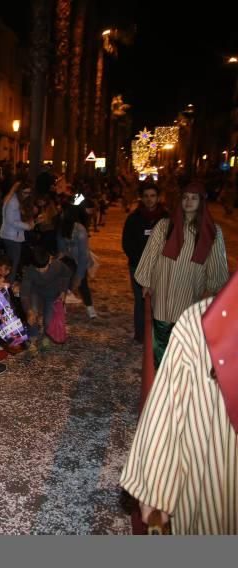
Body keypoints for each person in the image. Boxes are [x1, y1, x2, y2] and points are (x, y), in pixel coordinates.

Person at [120, 271, 238, 534]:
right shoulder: (210, 232)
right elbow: (218, 272)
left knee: (168, 364)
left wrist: (153, 486)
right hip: (191, 300)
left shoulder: (202, 321)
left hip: (170, 310)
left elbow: (169, 412)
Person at [134, 182, 229, 367]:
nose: (188, 202)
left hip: (191, 292)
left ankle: (180, 376)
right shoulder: (165, 226)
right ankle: (162, 376)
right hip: (164, 289)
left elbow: (217, 262)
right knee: (161, 337)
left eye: (194, 198)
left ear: (201, 202)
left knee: (185, 339)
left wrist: (214, 287)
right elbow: (151, 253)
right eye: (185, 197)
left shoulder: (212, 231)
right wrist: (146, 280)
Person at [121, 183, 168, 342]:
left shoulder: (166, 218)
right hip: (138, 266)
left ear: (158, 197)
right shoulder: (134, 218)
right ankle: (141, 334)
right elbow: (127, 243)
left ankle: (158, 334)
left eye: (152, 196)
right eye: (146, 196)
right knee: (140, 301)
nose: (149, 199)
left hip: (161, 267)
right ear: (142, 197)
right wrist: (141, 262)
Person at [20, 246, 74, 351]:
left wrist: (63, 290)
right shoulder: (29, 270)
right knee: (32, 315)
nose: (41, 271)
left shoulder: (57, 265)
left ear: (49, 260)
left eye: (43, 267)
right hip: (35, 293)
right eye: (38, 268)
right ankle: (33, 338)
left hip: (52, 294)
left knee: (48, 320)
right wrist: (28, 310)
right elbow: (24, 294)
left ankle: (47, 335)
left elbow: (67, 274)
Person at [57, 204, 97, 319]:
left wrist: (79, 276)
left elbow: (83, 255)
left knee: (83, 283)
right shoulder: (61, 227)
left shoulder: (80, 229)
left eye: (63, 212)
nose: (61, 214)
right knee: (62, 281)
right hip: (68, 258)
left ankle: (90, 307)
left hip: (80, 259)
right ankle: (61, 305)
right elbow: (61, 249)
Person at [0, 183, 37, 283]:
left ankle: (7, 285)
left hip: (12, 235)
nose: (27, 195)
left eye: (29, 192)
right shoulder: (13, 201)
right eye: (25, 192)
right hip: (11, 236)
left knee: (12, 264)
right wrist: (27, 226)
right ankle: (8, 286)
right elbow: (10, 220)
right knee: (12, 264)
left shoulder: (14, 200)